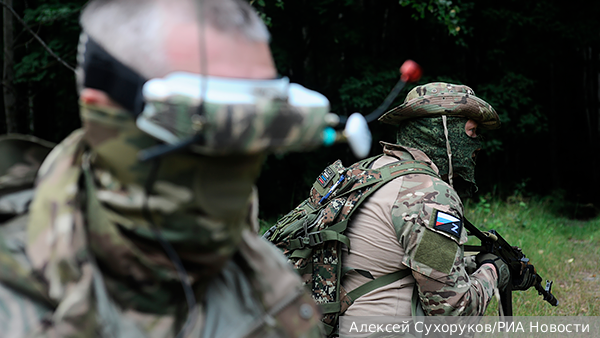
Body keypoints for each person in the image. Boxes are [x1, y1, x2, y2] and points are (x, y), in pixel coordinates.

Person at [0, 0, 328, 337]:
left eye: (262, 125)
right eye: (212, 127)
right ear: (104, 115)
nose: (243, 153)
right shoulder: (13, 297)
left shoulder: (266, 280)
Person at [338, 82, 509, 319]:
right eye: (471, 132)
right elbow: (452, 312)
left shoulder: (367, 173)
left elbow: (397, 258)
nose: (477, 145)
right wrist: (494, 271)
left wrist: (470, 264)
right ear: (443, 132)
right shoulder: (429, 195)